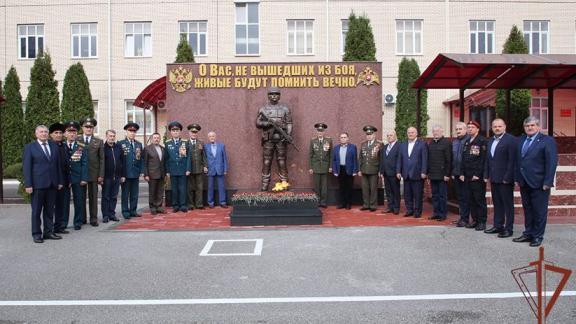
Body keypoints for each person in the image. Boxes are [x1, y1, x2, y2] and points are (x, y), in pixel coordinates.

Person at [513, 116, 558, 247]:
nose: (530, 128)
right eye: (527, 126)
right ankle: (528, 233)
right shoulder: (521, 140)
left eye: (532, 125)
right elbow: (518, 161)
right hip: (524, 182)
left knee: (539, 211)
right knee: (528, 209)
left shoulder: (547, 140)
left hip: (540, 183)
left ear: (538, 126)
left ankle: (538, 236)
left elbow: (552, 162)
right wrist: (517, 178)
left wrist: (548, 182)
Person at [23, 125, 64, 243]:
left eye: (46, 132)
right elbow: (27, 167)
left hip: (52, 184)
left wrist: (60, 181)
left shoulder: (53, 146)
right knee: (36, 211)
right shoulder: (30, 147)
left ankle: (48, 232)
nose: (44, 134)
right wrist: (28, 184)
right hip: (37, 185)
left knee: (50, 210)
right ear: (36, 134)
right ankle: (36, 233)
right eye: (41, 132)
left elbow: (58, 166)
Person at [256, 87, 293, 191]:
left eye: (276, 94)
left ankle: (284, 184)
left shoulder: (285, 109)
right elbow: (258, 123)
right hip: (268, 139)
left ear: (279, 96)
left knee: (282, 162)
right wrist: (268, 123)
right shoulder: (263, 109)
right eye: (272, 94)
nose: (274, 96)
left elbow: (289, 123)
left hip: (281, 139)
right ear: (268, 96)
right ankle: (264, 185)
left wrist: (288, 135)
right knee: (267, 161)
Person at [484, 119, 517, 238]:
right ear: (492, 128)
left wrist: (508, 177)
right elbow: (489, 160)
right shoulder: (490, 140)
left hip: (505, 179)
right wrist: (487, 175)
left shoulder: (511, 140)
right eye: (495, 126)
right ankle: (498, 226)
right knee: (497, 203)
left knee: (507, 205)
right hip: (494, 178)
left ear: (505, 127)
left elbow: (512, 161)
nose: (497, 128)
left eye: (499, 126)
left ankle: (509, 228)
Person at [459, 120, 488, 231]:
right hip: (467, 175)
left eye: (472, 127)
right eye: (469, 127)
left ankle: (482, 221)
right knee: (470, 199)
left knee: (479, 199)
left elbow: (482, 159)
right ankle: (475, 220)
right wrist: (461, 172)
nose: (470, 129)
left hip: (476, 176)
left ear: (477, 129)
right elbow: (464, 159)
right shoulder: (467, 141)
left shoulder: (482, 141)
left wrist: (478, 174)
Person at [396, 127, 428, 218]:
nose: (410, 134)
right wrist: (398, 171)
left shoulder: (422, 144)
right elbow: (399, 159)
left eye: (412, 132)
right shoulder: (403, 144)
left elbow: (425, 159)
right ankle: (409, 210)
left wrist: (424, 171)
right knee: (407, 194)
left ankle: (417, 211)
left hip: (417, 173)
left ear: (416, 133)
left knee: (417, 194)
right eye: (409, 132)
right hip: (406, 173)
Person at [78, 117, 104, 227]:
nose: (88, 129)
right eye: (86, 127)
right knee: (81, 197)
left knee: (93, 198)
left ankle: (93, 218)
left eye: (91, 127)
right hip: (80, 174)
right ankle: (82, 218)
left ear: (93, 128)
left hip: (94, 173)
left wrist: (101, 175)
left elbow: (102, 159)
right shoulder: (77, 140)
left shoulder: (98, 141)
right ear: (82, 128)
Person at [63, 121, 88, 231]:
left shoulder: (81, 146)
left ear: (77, 134)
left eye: (74, 132)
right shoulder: (61, 146)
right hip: (64, 179)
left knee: (79, 201)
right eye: (69, 132)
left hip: (78, 178)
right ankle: (63, 223)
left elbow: (85, 163)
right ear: (65, 133)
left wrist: (84, 178)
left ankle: (78, 222)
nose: (72, 134)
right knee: (64, 202)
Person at [118, 122, 144, 219]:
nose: (132, 133)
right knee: (125, 194)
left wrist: (141, 171)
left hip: (135, 173)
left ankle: (133, 210)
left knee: (134, 194)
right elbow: (119, 160)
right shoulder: (121, 144)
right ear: (126, 132)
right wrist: (121, 174)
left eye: (134, 131)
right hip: (125, 174)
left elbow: (141, 159)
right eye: (130, 131)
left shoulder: (139, 144)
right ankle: (125, 211)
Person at [49, 122, 71, 234]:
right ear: (51, 135)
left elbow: (67, 165)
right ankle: (50, 228)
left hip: (65, 181)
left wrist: (69, 180)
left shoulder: (63, 146)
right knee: (51, 206)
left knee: (62, 205)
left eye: (60, 133)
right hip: (54, 181)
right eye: (56, 133)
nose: (58, 135)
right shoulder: (49, 146)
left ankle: (60, 226)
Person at [427, 125, 452, 221]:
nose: (435, 133)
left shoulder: (446, 143)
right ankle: (436, 213)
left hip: (442, 175)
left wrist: (447, 174)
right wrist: (428, 174)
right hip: (433, 174)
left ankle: (443, 214)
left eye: (437, 131)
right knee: (435, 195)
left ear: (442, 132)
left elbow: (448, 160)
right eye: (434, 131)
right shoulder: (431, 143)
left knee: (442, 196)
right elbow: (429, 160)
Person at [165, 121, 191, 212]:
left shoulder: (185, 142)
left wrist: (188, 169)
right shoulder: (167, 143)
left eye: (177, 130)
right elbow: (166, 158)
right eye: (173, 131)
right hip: (172, 170)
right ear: (171, 132)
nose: (175, 132)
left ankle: (183, 205)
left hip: (183, 169)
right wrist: (167, 171)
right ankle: (175, 205)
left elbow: (188, 157)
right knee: (174, 189)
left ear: (180, 132)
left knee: (183, 188)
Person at [101, 130, 124, 223]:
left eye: (113, 136)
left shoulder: (118, 147)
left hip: (117, 176)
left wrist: (122, 175)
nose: (112, 138)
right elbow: (101, 163)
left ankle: (112, 214)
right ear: (106, 136)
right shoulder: (103, 147)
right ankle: (105, 215)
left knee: (114, 196)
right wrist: (101, 177)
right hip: (107, 177)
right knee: (106, 196)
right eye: (110, 136)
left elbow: (122, 161)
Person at [358, 125, 382, 212]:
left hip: (374, 170)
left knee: (373, 188)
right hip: (364, 169)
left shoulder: (379, 144)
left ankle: (373, 205)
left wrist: (380, 170)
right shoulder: (363, 144)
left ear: (374, 135)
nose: (368, 136)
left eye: (370, 134)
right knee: (365, 188)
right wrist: (359, 169)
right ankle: (366, 204)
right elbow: (360, 157)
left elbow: (381, 158)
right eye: (367, 134)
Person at [452, 122, 471, 227]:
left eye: (460, 129)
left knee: (466, 197)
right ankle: (462, 217)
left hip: (465, 175)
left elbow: (468, 160)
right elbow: (453, 159)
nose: (458, 131)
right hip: (456, 174)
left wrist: (463, 173)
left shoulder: (469, 141)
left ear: (466, 130)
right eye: (457, 129)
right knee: (460, 197)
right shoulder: (454, 142)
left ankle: (465, 219)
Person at [308, 123, 332, 208]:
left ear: (324, 132)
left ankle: (323, 202)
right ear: (317, 132)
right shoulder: (313, 141)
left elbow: (330, 154)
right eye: (318, 131)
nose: (320, 133)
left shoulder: (329, 140)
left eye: (321, 131)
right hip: (316, 167)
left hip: (325, 166)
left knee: (324, 186)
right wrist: (310, 167)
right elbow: (310, 155)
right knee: (317, 186)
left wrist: (330, 166)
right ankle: (317, 201)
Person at [332, 133, 358, 210]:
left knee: (349, 188)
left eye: (344, 137)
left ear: (348, 138)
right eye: (341, 137)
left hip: (349, 169)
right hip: (340, 169)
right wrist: (335, 170)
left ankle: (348, 203)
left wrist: (355, 170)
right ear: (340, 139)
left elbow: (355, 159)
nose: (343, 138)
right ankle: (342, 203)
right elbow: (334, 160)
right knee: (341, 187)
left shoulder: (353, 147)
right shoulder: (336, 148)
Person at [144, 132, 166, 215]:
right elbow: (145, 162)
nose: (156, 139)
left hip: (161, 174)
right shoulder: (147, 149)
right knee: (152, 191)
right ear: (152, 139)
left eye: (158, 138)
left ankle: (159, 206)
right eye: (155, 138)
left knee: (160, 191)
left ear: (159, 139)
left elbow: (164, 162)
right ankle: (152, 207)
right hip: (152, 174)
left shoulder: (162, 148)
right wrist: (146, 174)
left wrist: (166, 173)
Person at [204, 131, 228, 208]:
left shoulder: (222, 146)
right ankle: (210, 203)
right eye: (210, 136)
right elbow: (204, 158)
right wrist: (205, 167)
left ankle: (223, 202)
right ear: (208, 138)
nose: (212, 138)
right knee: (210, 187)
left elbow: (224, 158)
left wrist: (225, 169)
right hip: (210, 169)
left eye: (213, 136)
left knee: (221, 186)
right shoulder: (205, 146)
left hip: (220, 169)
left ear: (215, 137)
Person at [379, 130, 401, 215]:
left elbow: (399, 160)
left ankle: (396, 208)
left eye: (391, 135)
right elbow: (382, 160)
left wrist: (398, 171)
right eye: (388, 135)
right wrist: (381, 171)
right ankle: (390, 207)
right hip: (385, 173)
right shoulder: (385, 147)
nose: (389, 137)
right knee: (388, 191)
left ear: (395, 136)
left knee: (395, 191)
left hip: (394, 173)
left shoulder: (399, 146)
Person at [187, 124, 207, 210]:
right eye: (192, 132)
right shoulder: (186, 143)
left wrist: (205, 166)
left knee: (199, 187)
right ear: (189, 133)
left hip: (199, 168)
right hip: (190, 169)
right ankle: (191, 204)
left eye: (195, 132)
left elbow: (204, 155)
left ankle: (199, 204)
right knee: (190, 187)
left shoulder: (201, 143)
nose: (194, 134)